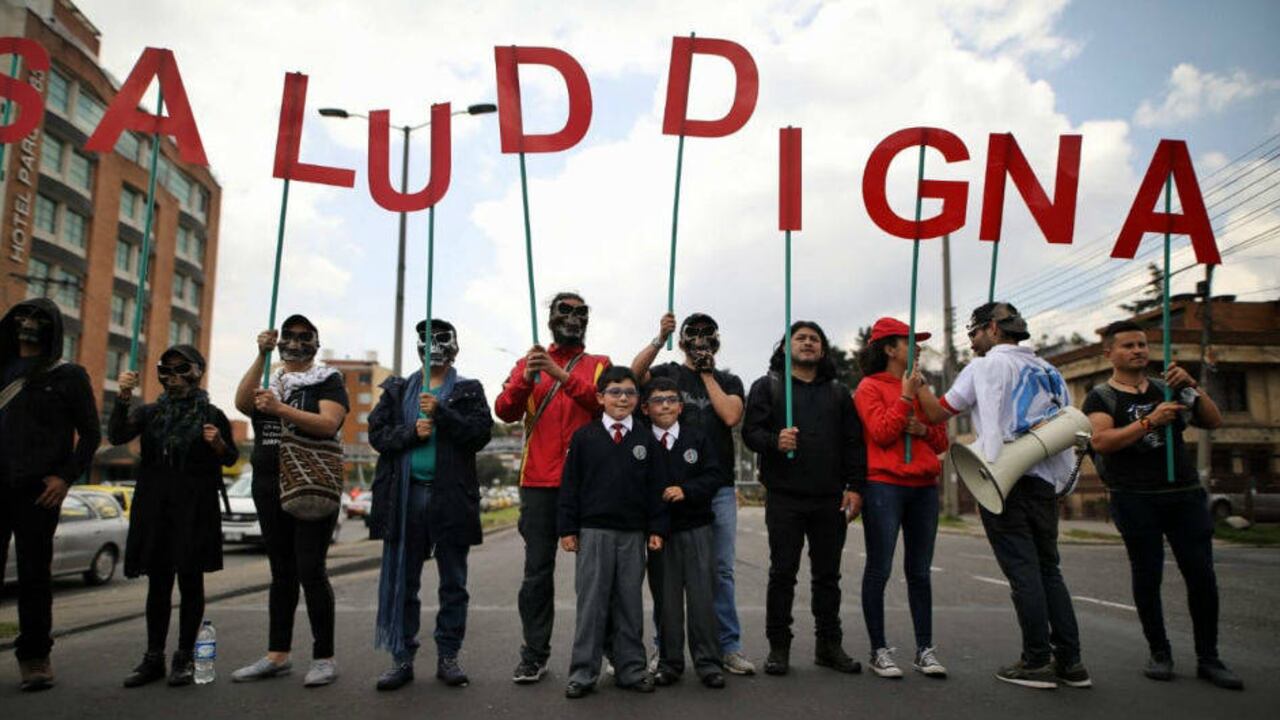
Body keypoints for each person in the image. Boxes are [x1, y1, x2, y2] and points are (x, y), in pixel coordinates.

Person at [916, 301, 1090, 690]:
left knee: (1023, 572)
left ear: (993, 329)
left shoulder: (983, 367)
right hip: (1045, 481)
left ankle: (1036, 661)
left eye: (975, 333)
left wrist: (918, 385)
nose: (973, 342)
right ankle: (1072, 662)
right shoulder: (1049, 370)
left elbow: (937, 413)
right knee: (1049, 569)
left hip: (1003, 479)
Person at [1083, 320, 1241, 689]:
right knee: (1148, 575)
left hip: (1183, 494)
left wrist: (1193, 388)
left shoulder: (1167, 387)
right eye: (1128, 346)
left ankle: (1209, 657)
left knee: (1202, 575)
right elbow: (1102, 442)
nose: (1138, 350)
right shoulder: (1102, 397)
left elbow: (1213, 422)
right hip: (1136, 498)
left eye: (1142, 344)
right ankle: (1160, 652)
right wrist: (1150, 422)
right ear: (1109, 353)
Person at [368, 319, 494, 691]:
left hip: (451, 498)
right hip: (404, 499)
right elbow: (377, 435)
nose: (432, 344)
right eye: (425, 338)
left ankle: (448, 655)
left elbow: (478, 435)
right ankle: (402, 657)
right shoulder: (397, 389)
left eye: (440, 338)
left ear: (455, 347)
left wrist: (442, 413)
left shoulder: (468, 390)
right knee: (404, 583)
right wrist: (412, 431)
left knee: (453, 582)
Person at [494, 292, 610, 684]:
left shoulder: (599, 365)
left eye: (582, 313)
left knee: (596, 573)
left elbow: (604, 404)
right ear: (551, 319)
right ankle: (534, 653)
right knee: (537, 574)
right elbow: (505, 410)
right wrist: (528, 376)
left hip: (588, 482)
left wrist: (560, 376)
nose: (574, 318)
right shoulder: (529, 363)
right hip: (539, 482)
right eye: (566, 311)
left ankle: (607, 647)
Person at [631, 312, 753, 675]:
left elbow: (730, 416)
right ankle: (662, 648)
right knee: (665, 574)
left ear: (717, 340)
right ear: (682, 340)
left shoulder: (728, 378)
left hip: (715, 488)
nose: (700, 339)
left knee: (720, 570)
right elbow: (634, 375)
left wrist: (706, 374)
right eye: (693, 334)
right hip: (669, 487)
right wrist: (658, 337)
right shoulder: (669, 372)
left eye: (707, 334)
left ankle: (727, 647)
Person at [742, 321, 866, 676]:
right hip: (784, 497)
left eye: (815, 339)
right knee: (783, 574)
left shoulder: (839, 393)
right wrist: (774, 441)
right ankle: (778, 648)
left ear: (823, 350)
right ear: (785, 348)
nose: (808, 343)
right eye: (800, 338)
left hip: (829, 498)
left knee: (828, 576)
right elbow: (751, 432)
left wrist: (855, 487)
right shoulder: (767, 387)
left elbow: (853, 443)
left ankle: (829, 645)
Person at [231, 315, 349, 687]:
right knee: (281, 573)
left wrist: (281, 409)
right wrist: (260, 356)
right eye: (288, 336)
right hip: (268, 482)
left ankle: (324, 657)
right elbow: (241, 402)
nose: (295, 342)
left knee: (310, 570)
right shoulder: (270, 378)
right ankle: (277, 654)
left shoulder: (327, 379)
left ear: (316, 342)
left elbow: (329, 423)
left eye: (304, 336)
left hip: (310, 482)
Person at [112, 345, 239, 687]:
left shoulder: (212, 415)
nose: (173, 378)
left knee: (190, 581)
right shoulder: (150, 413)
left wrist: (218, 446)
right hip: (155, 505)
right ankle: (153, 657)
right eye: (165, 370)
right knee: (158, 582)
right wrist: (123, 396)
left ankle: (183, 656)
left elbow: (231, 458)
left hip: (195, 507)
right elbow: (117, 435)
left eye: (182, 369)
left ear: (198, 372)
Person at [0, 299, 100, 691]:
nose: (29, 324)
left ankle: (35, 656)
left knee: (34, 577)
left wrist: (64, 477)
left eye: (40, 319)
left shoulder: (68, 376)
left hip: (38, 492)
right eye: (23, 316)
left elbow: (90, 435)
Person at [558, 367, 668, 699]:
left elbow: (656, 488)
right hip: (593, 532)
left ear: (639, 400)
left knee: (629, 604)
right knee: (591, 604)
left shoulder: (644, 438)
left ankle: (631, 669)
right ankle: (583, 672)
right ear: (600, 397)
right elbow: (570, 487)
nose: (623, 398)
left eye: (630, 393)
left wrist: (656, 528)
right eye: (615, 392)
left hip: (632, 535)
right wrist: (567, 528)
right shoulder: (584, 437)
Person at [853, 318, 949, 679]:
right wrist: (905, 398)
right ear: (890, 348)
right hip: (884, 486)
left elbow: (942, 442)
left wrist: (923, 427)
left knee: (920, 571)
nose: (918, 347)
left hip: (923, 487)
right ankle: (879, 649)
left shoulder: (923, 386)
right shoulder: (869, 387)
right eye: (910, 341)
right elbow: (880, 433)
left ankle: (925, 649)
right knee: (880, 567)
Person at [643, 377, 726, 689]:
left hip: (696, 527)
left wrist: (687, 490)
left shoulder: (698, 438)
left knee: (703, 599)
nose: (665, 404)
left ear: (680, 406)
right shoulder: (641, 442)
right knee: (667, 602)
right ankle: (670, 663)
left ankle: (708, 663)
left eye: (671, 399)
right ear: (646, 408)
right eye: (657, 400)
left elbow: (715, 475)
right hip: (659, 535)